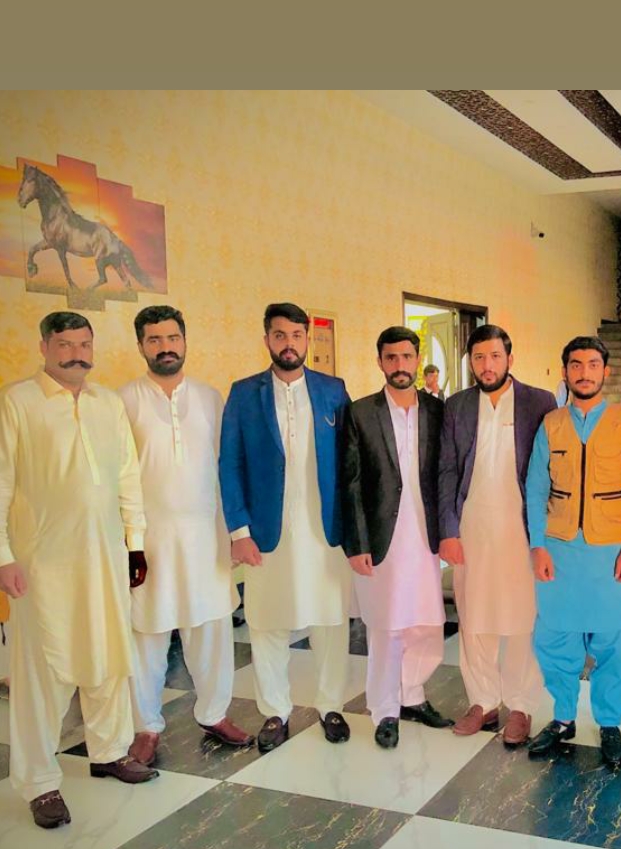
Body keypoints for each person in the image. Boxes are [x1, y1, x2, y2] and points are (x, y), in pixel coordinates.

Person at [0, 312, 156, 828]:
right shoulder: (17, 402)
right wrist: (3, 556)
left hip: (105, 557)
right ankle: (40, 782)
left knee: (108, 655)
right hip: (42, 564)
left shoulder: (107, 403)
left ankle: (109, 752)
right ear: (44, 347)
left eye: (84, 344)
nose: (76, 354)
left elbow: (128, 477)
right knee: (42, 672)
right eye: (65, 344)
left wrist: (135, 544)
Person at [120, 305, 253, 764]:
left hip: (205, 536)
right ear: (141, 345)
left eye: (172, 338)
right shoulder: (124, 400)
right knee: (148, 634)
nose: (165, 347)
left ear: (184, 341)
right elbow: (119, 476)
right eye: (154, 340)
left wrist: (236, 531)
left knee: (211, 630)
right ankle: (146, 727)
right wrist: (129, 543)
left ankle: (214, 713)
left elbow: (228, 469)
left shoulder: (211, 397)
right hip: (149, 541)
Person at [219, 302, 351, 753]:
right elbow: (230, 464)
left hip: (324, 527)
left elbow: (350, 462)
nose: (289, 343)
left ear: (307, 339)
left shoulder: (333, 390)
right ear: (267, 340)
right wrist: (239, 532)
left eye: (296, 335)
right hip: (266, 530)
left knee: (331, 620)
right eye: (280, 335)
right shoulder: (243, 394)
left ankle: (331, 705)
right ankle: (275, 710)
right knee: (266, 621)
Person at [525, 335, 621, 771]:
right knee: (554, 638)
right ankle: (563, 718)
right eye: (576, 365)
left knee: (612, 642)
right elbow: (536, 487)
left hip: (610, 551)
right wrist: (537, 544)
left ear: (605, 371)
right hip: (559, 549)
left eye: (593, 364)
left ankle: (610, 723)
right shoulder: (551, 423)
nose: (584, 372)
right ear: (565, 372)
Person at [438, 324, 555, 746]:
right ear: (471, 361)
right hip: (472, 525)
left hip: (522, 527)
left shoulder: (539, 402)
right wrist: (448, 530)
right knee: (474, 616)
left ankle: (521, 704)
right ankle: (483, 701)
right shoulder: (457, 405)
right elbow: (446, 469)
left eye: (494, 356)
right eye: (479, 358)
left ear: (510, 358)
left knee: (523, 619)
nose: (487, 365)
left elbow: (551, 470)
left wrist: (546, 537)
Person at [341, 326, 451, 747]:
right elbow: (350, 482)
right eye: (391, 358)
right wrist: (357, 544)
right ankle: (385, 710)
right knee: (387, 626)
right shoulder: (361, 412)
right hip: (382, 536)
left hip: (426, 535)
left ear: (417, 360)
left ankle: (413, 695)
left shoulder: (438, 411)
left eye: (406, 357)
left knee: (426, 622)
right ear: (380, 362)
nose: (399, 365)